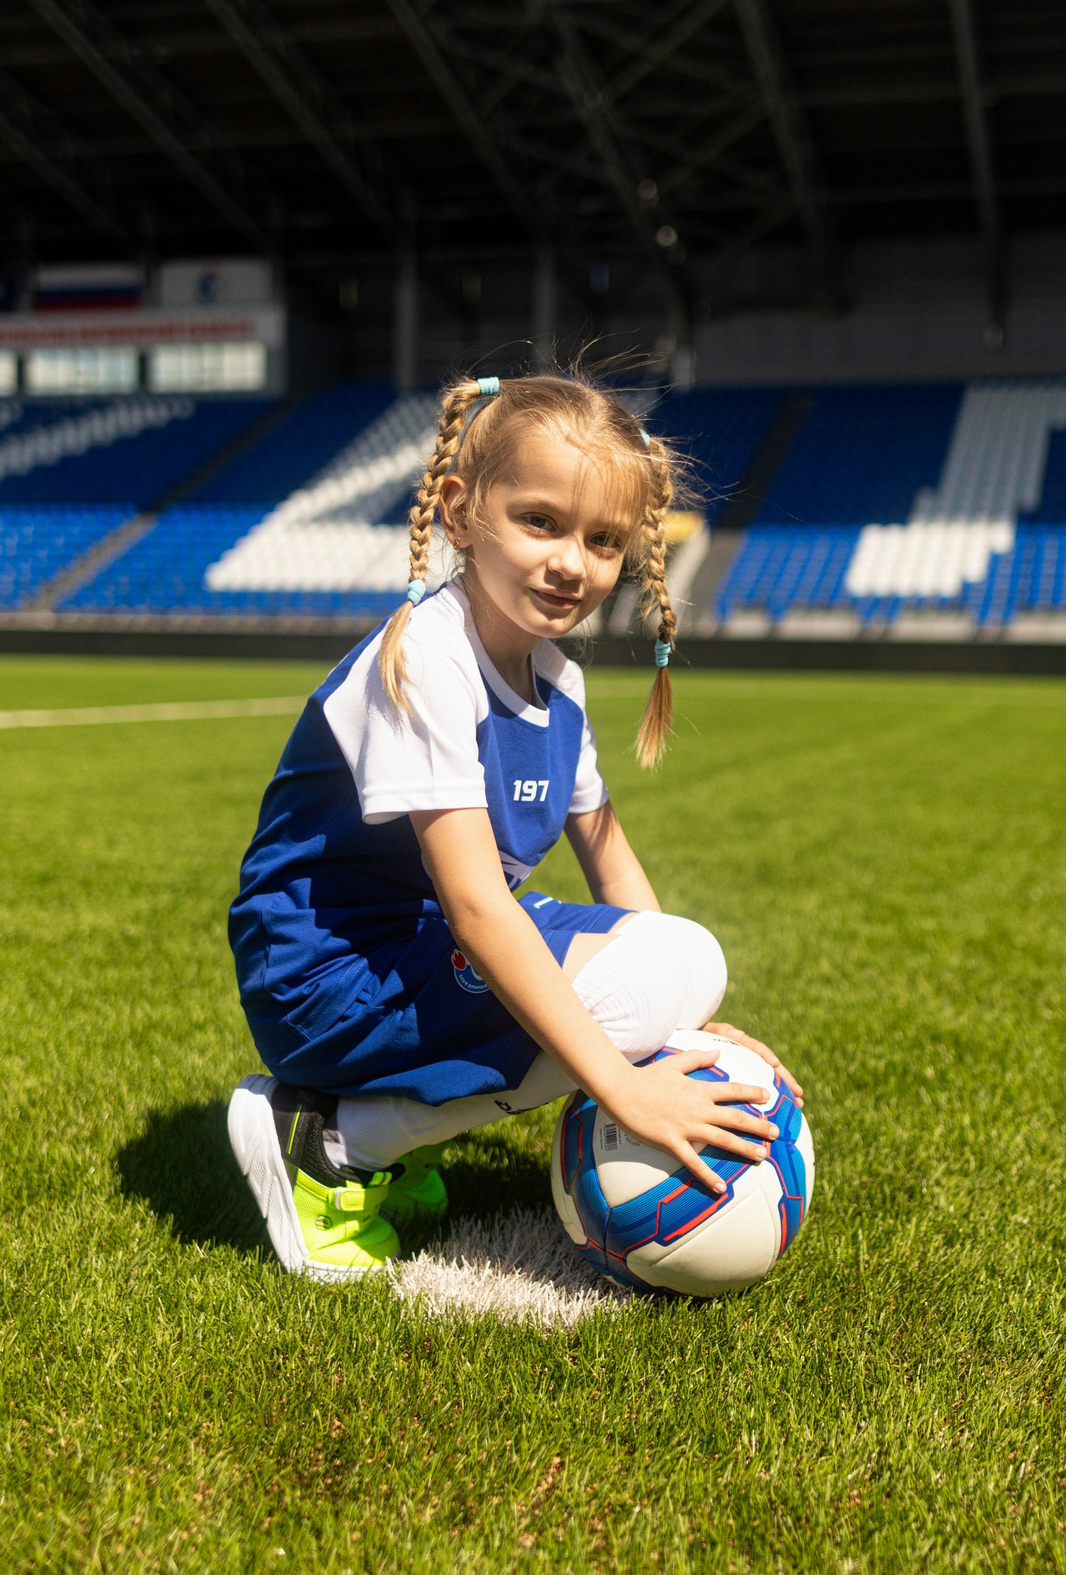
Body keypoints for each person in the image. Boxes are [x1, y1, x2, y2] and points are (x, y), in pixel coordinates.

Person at [224, 371, 801, 1280]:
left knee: (687, 962)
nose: (573, 562)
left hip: (412, 958)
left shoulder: (560, 682)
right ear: (461, 512)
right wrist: (624, 1086)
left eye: (602, 540)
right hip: (325, 980)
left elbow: (613, 864)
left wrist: (688, 1029)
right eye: (541, 521)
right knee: (629, 993)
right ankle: (338, 1139)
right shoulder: (427, 657)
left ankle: (390, 1127)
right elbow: (476, 908)